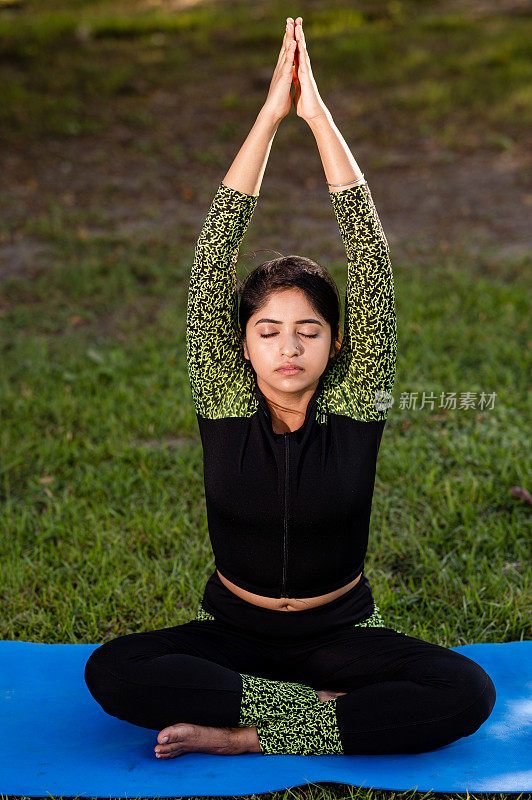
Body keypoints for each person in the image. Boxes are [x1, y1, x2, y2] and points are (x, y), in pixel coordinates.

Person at [84, 16, 496, 759]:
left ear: (337, 344)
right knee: (112, 671)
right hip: (232, 634)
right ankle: (309, 716)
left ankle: (246, 736)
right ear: (240, 344)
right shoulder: (224, 398)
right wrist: (269, 118)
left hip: (339, 636)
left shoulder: (354, 400)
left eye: (308, 331)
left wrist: (318, 115)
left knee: (467, 693)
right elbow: (214, 256)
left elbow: (369, 258)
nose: (288, 347)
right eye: (268, 331)